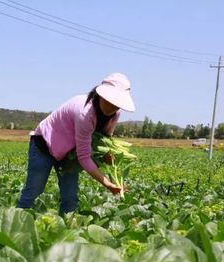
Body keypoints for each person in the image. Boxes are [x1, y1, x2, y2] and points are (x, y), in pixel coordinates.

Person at [17, 73, 135, 214]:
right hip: (44, 145)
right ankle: (17, 224)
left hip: (70, 153)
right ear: (101, 95)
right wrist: (107, 184)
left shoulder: (115, 114)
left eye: (116, 104)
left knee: (70, 197)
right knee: (33, 192)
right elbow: (84, 157)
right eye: (110, 101)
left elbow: (104, 138)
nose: (112, 107)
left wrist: (106, 156)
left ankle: (68, 231)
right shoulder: (85, 113)